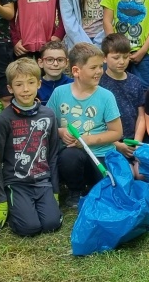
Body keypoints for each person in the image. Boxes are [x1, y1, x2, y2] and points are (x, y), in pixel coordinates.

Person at [0, 58, 62, 238]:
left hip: (43, 181)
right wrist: (0, 199)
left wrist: (55, 189)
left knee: (52, 224)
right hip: (17, 183)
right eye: (19, 84)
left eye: (31, 83)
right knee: (29, 228)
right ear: (10, 89)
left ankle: (40, 205)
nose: (25, 89)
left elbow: (53, 154)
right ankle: (17, 208)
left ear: (39, 83)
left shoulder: (48, 115)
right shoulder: (2, 120)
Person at [49, 43, 124, 203]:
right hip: (72, 156)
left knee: (111, 188)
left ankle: (92, 187)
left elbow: (117, 132)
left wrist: (86, 141)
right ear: (76, 71)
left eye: (100, 66)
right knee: (70, 156)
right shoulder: (59, 93)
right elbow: (47, 124)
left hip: (101, 155)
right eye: (93, 68)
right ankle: (75, 190)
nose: (99, 71)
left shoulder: (106, 96)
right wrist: (61, 132)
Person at [100, 32, 146, 158]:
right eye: (116, 58)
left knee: (140, 173)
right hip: (108, 143)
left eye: (126, 57)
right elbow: (96, 120)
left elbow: (141, 115)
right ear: (104, 57)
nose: (122, 62)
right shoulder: (99, 83)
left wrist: (137, 142)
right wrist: (116, 144)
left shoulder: (135, 81)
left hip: (133, 141)